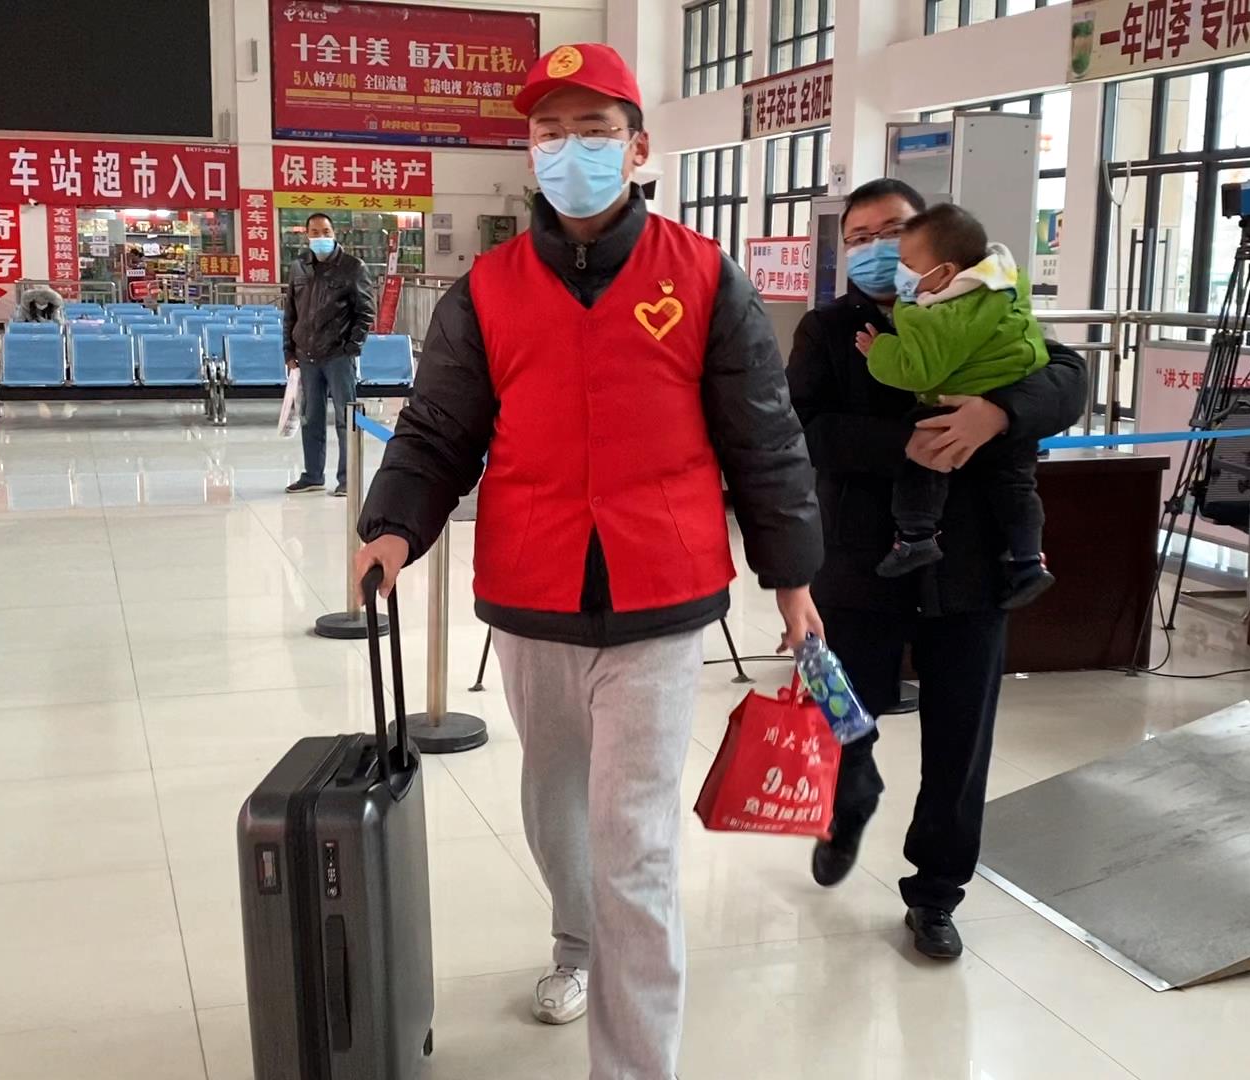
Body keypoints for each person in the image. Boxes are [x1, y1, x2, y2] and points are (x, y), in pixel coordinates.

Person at [353, 43, 824, 1079]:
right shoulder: (487, 290)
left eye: (595, 131)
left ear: (638, 148)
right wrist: (392, 527)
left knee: (635, 841)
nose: (572, 150)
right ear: (531, 152)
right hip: (533, 593)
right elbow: (438, 429)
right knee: (556, 803)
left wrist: (791, 577)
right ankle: (576, 942)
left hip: (663, 598)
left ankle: (636, 1065)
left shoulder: (704, 277)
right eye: (551, 132)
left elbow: (764, 436)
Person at [786, 178, 1087, 960]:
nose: (878, 248)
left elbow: (1067, 377)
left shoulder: (989, 303)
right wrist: (907, 445)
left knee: (961, 740)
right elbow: (804, 428)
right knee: (836, 706)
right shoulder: (830, 329)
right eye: (859, 236)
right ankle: (848, 796)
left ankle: (936, 892)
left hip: (970, 564)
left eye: (893, 230)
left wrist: (1000, 412)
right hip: (856, 561)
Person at [854, 203, 1053, 607]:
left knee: (922, 459)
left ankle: (916, 535)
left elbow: (919, 370)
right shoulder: (1002, 289)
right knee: (1017, 488)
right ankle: (1028, 561)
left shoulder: (945, 312)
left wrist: (881, 350)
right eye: (858, 238)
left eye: (907, 261)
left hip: (956, 406)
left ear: (946, 271)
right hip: (1011, 415)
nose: (895, 266)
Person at [281, 212, 375, 496]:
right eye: (315, 232)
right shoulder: (299, 267)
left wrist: (351, 347)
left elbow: (365, 312)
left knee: (347, 419)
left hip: (338, 357)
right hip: (306, 355)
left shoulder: (353, 267)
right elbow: (290, 312)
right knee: (311, 418)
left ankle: (347, 479)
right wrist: (289, 350)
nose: (320, 237)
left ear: (335, 234)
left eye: (326, 232)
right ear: (306, 235)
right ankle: (312, 475)